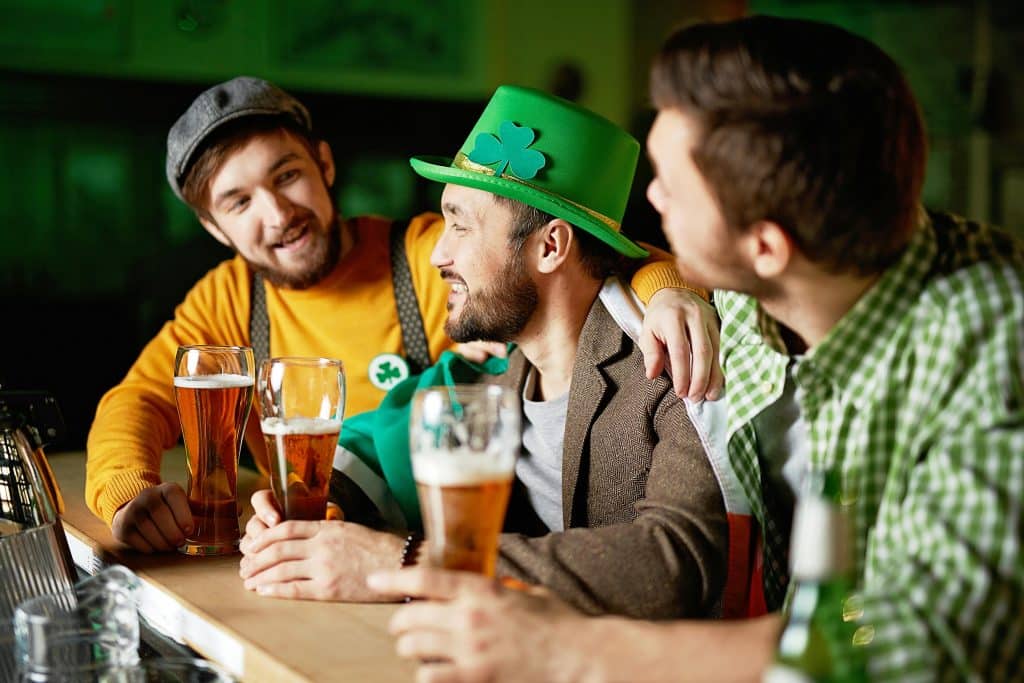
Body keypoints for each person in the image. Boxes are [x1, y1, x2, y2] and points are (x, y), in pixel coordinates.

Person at [367, 15, 1024, 682]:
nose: (649, 201)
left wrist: (561, 649)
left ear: (766, 247)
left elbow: (922, 645)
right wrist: (663, 285)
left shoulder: (994, 344)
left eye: (671, 189)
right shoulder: (777, 274)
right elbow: (609, 256)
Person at [85, 77, 724, 553]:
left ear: (326, 166)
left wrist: (670, 291)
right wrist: (128, 493)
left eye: (287, 177)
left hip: (436, 548)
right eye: (239, 201)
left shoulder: (424, 256)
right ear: (212, 227)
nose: (276, 214)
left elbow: (588, 259)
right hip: (332, 541)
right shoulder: (222, 301)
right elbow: (137, 400)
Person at [238, 85, 730, 620]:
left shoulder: (673, 361)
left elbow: (672, 566)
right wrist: (318, 504)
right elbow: (385, 443)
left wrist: (412, 562)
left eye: (461, 225)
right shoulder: (500, 374)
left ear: (551, 246)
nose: (439, 255)